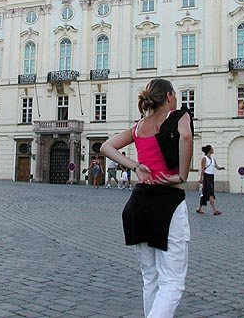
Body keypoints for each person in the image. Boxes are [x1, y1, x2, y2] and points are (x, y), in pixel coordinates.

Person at [101, 78, 193, 318]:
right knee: (172, 282)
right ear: (170, 96)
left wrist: (135, 166)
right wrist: (181, 175)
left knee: (150, 278)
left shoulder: (139, 126)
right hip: (167, 202)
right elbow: (185, 137)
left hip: (138, 203)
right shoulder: (177, 116)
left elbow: (106, 147)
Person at [196, 145, 225, 215]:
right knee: (210, 193)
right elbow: (202, 169)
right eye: (212, 148)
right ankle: (215, 210)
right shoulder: (204, 158)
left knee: (205, 193)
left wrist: (221, 168)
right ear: (209, 150)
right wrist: (201, 178)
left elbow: (217, 167)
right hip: (207, 177)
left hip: (211, 177)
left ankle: (199, 208)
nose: (213, 149)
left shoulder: (213, 159)